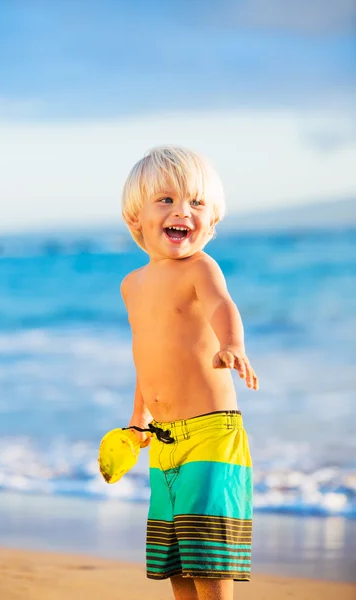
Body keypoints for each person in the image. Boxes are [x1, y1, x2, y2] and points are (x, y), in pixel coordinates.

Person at [120, 146, 259, 600]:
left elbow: (222, 304)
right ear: (134, 218)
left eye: (197, 203)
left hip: (210, 433)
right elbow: (146, 355)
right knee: (176, 559)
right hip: (163, 439)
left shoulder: (201, 267)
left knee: (208, 555)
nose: (183, 211)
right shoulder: (132, 284)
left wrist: (232, 344)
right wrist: (139, 417)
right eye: (166, 200)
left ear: (212, 223)